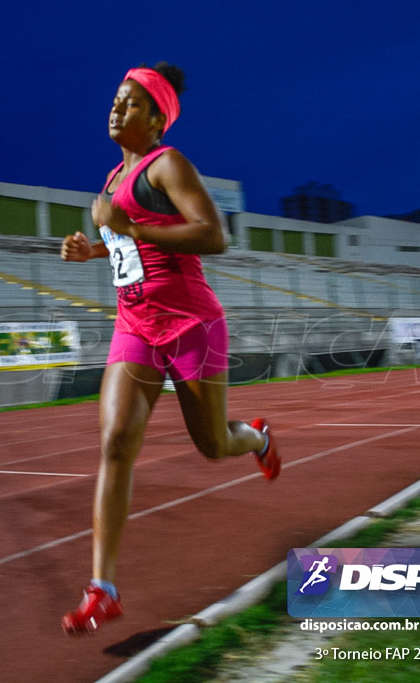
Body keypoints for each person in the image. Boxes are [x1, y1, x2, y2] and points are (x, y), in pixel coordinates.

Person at [59, 62, 281, 635]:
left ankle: (256, 436)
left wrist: (128, 229)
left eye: (130, 103)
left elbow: (214, 235)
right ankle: (102, 589)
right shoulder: (108, 185)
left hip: (192, 327)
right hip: (134, 327)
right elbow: (127, 253)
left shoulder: (168, 165)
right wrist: (94, 251)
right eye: (115, 100)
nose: (116, 109)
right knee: (114, 444)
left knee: (213, 444)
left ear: (157, 118)